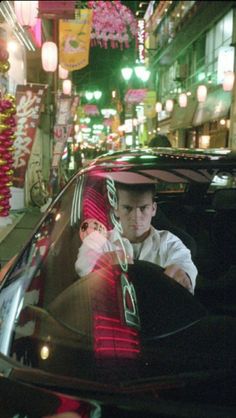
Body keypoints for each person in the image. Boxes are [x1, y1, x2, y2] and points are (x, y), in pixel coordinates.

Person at [75, 183, 197, 294]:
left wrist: (183, 275)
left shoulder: (169, 242)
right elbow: (83, 264)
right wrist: (102, 262)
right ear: (116, 209)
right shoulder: (99, 240)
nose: (136, 216)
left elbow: (184, 263)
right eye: (128, 208)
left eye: (143, 208)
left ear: (153, 209)